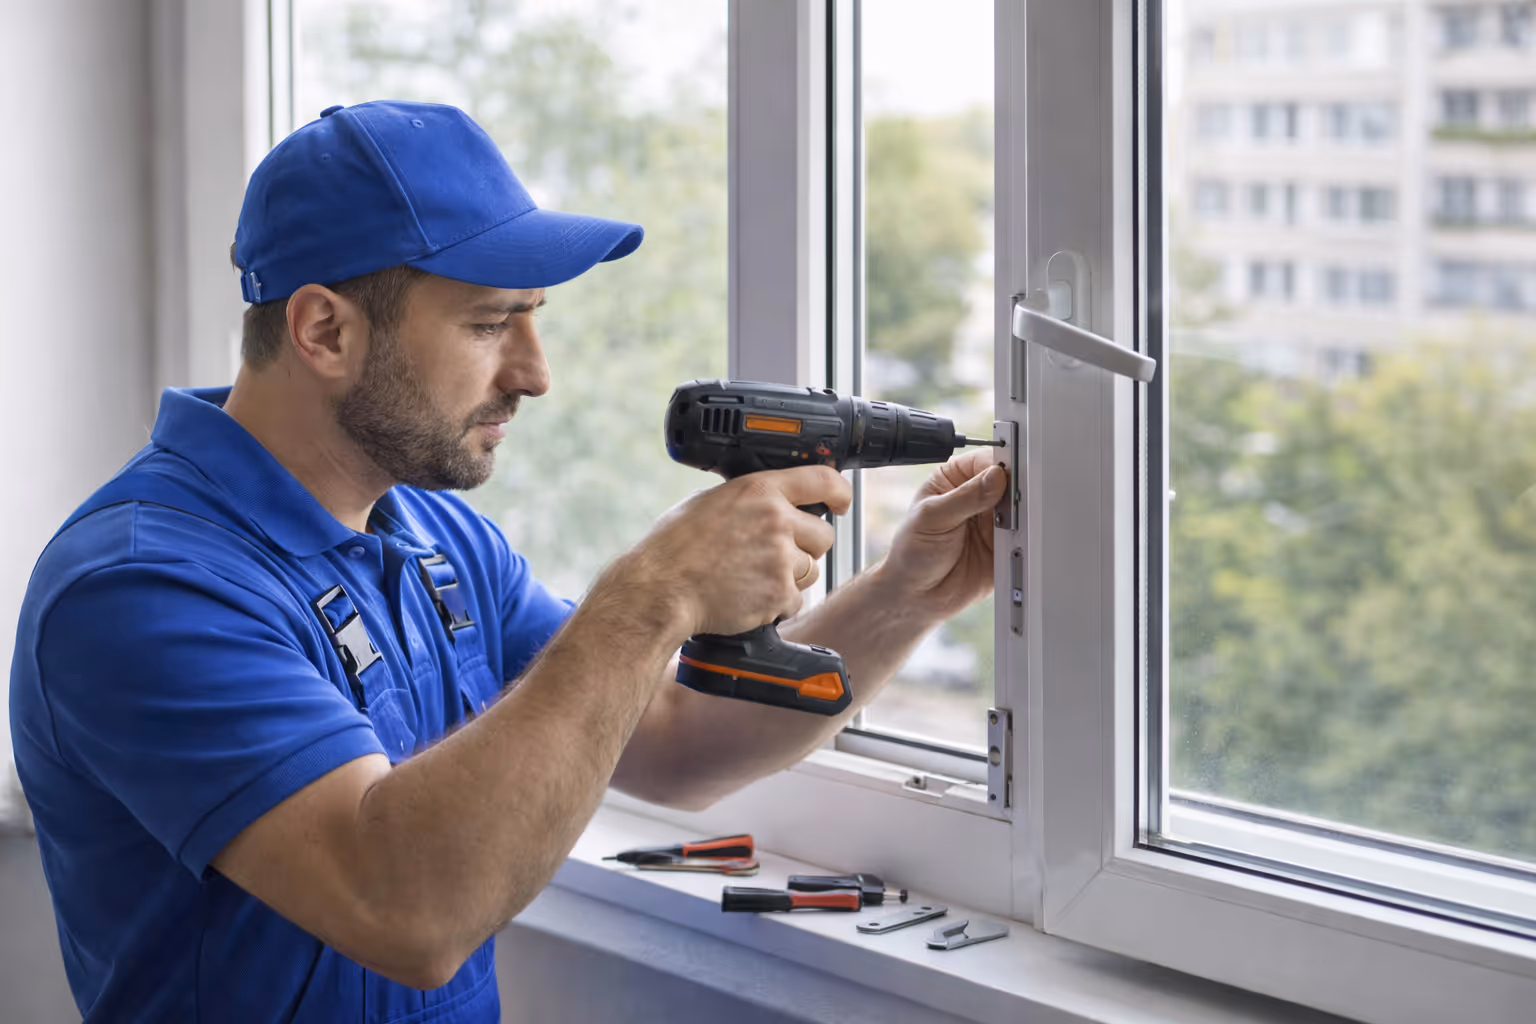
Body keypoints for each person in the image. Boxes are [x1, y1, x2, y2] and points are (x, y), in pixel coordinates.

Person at [8, 100, 1007, 1022]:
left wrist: (903, 594)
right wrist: (654, 591)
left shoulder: (435, 538)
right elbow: (407, 909)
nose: (535, 373)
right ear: (323, 330)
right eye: (491, 323)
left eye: (534, 318)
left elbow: (673, 740)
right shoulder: (142, 590)